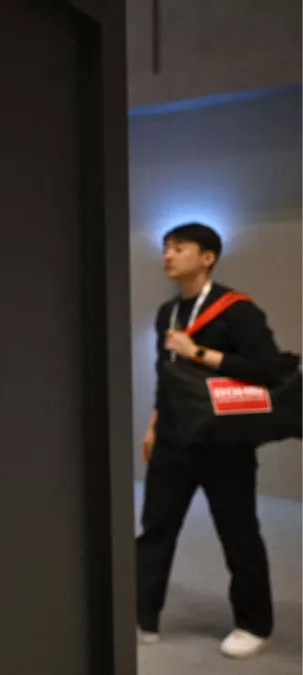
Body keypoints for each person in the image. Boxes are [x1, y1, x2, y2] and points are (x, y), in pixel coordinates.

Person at [136, 222, 283, 659]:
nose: (167, 255)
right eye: (165, 247)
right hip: (173, 441)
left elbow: (269, 369)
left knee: (238, 533)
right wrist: (153, 424)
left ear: (207, 257)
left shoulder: (238, 310)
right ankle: (143, 615)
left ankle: (254, 624)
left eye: (179, 247)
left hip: (225, 444)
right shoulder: (167, 313)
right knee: (155, 530)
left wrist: (199, 352)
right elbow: (167, 375)